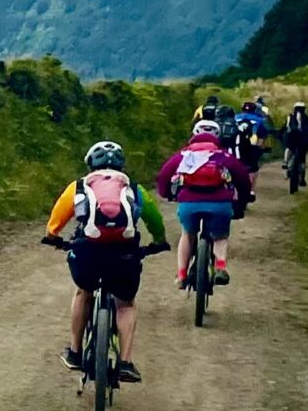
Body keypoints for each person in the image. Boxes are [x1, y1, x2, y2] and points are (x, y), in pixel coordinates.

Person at [42, 139, 170, 381]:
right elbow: (153, 218)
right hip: (124, 254)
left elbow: (56, 220)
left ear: (91, 163)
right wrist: (159, 241)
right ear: (121, 165)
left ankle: (75, 353)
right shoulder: (134, 188)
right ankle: (126, 363)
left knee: (83, 291)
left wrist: (53, 237)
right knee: (126, 304)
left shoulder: (79, 186)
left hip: (88, 252)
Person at [156, 119, 254, 286]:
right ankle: (220, 267)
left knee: (188, 234)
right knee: (220, 237)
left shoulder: (183, 155)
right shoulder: (223, 156)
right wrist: (242, 201)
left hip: (189, 204)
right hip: (220, 204)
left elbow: (164, 175)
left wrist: (166, 193)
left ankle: (181, 275)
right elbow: (243, 178)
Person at [281, 102, 308, 184]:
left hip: (291, 139)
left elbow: (284, 128)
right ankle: (302, 179)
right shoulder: (306, 117)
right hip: (303, 140)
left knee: (288, 148)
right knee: (302, 158)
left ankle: (285, 163)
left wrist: (279, 135)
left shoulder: (290, 117)